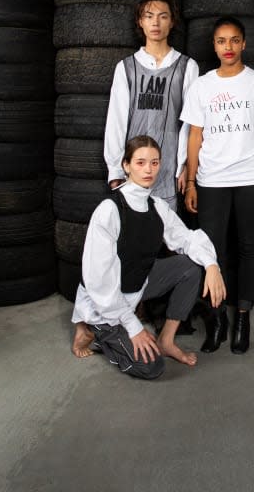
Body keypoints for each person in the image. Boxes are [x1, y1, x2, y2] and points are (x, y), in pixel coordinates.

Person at [71, 134, 226, 378]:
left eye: (154, 163)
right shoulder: (109, 210)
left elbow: (187, 238)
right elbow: (99, 282)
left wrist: (212, 265)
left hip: (136, 287)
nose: (148, 170)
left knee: (191, 266)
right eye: (140, 162)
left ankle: (166, 340)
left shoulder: (157, 207)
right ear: (126, 165)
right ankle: (90, 328)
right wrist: (133, 327)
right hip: (103, 304)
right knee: (151, 367)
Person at [181, 16, 254, 354]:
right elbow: (194, 137)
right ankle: (217, 321)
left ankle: (242, 317)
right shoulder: (202, 86)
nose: (228, 47)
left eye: (234, 40)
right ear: (214, 46)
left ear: (243, 44)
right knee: (214, 251)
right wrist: (192, 181)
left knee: (248, 248)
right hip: (211, 179)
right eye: (221, 41)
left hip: (252, 178)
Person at [104, 0, 198, 211]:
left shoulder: (187, 67)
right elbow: (116, 121)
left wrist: (184, 165)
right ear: (140, 21)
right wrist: (116, 170)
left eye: (163, 16)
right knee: (134, 234)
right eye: (149, 16)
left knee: (167, 236)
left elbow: (191, 124)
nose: (155, 22)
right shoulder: (126, 67)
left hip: (169, 168)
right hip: (133, 168)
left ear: (172, 21)